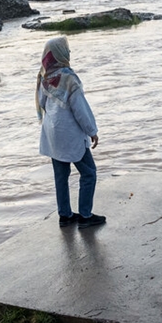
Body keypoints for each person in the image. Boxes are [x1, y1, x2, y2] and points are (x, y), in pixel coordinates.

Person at [35, 36, 105, 228]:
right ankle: (85, 216)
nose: (69, 52)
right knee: (89, 172)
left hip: (52, 133)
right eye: (67, 49)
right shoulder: (69, 79)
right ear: (60, 53)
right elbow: (80, 110)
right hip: (69, 133)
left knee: (61, 175)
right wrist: (92, 131)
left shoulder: (44, 76)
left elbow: (42, 103)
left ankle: (65, 215)